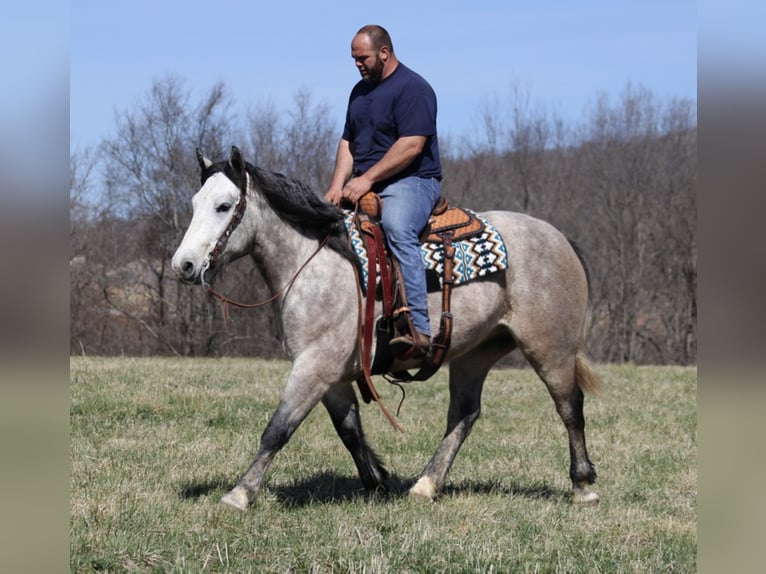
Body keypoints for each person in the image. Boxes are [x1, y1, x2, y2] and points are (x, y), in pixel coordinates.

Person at [325, 24, 442, 360]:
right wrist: (336, 186)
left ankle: (418, 330)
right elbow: (348, 141)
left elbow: (411, 145)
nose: (358, 65)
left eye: (363, 58)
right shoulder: (359, 92)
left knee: (397, 228)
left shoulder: (413, 89)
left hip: (413, 180)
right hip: (368, 181)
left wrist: (366, 179)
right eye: (354, 59)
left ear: (385, 53)